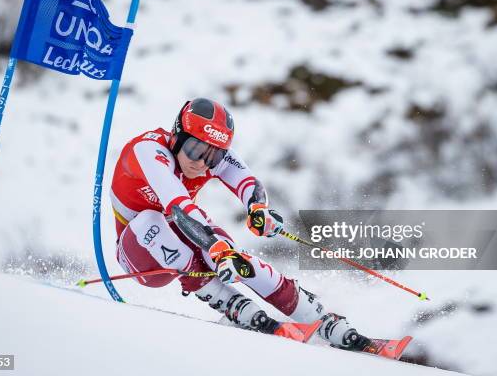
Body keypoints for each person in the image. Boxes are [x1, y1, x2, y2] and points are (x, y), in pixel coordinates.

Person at [110, 98, 369, 349]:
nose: (201, 163)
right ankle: (228, 302)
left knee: (231, 255)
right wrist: (216, 246)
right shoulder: (148, 151)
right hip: (139, 255)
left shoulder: (211, 158)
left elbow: (247, 182)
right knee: (154, 221)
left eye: (212, 156)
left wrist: (258, 210)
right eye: (195, 150)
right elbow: (179, 205)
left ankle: (318, 316)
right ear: (177, 137)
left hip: (182, 227)